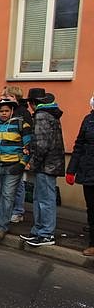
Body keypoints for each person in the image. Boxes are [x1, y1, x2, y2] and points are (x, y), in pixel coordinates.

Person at [20, 88, 65, 247]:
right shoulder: (49, 114)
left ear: (33, 103)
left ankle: (45, 233)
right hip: (50, 164)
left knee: (44, 200)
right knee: (40, 198)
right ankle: (38, 231)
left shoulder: (41, 116)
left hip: (46, 165)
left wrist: (32, 162)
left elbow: (42, 144)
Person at [0, 98, 31, 241]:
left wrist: (21, 164)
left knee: (7, 196)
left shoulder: (22, 125)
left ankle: (1, 227)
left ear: (12, 111)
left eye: (6, 111)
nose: (4, 113)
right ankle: (2, 218)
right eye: (1, 111)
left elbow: (28, 147)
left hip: (13, 167)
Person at [0, 85, 32, 224]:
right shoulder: (7, 111)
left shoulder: (22, 112)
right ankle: (5, 211)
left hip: (17, 154)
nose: (5, 99)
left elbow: (27, 134)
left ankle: (18, 211)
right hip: (3, 154)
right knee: (4, 186)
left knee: (18, 185)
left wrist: (26, 154)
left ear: (15, 97)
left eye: (8, 96)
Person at [66, 92, 94, 255]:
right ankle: (93, 243)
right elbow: (79, 146)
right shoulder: (88, 120)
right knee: (92, 209)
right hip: (89, 171)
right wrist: (71, 170)